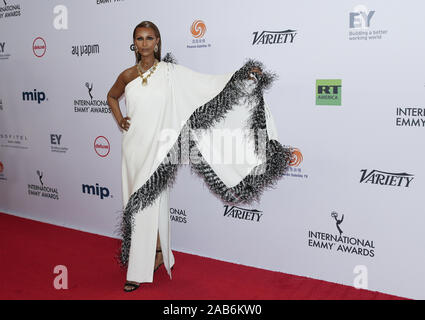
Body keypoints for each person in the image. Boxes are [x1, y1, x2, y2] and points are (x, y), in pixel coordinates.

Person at [107, 21, 291, 292]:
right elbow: (112, 97)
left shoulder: (171, 73)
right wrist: (120, 119)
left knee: (146, 204)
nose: (144, 44)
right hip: (133, 147)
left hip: (158, 148)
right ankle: (158, 255)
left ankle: (136, 271)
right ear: (133, 43)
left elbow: (206, 85)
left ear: (158, 41)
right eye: (139, 39)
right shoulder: (127, 75)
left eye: (149, 38)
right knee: (136, 203)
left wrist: (241, 77)